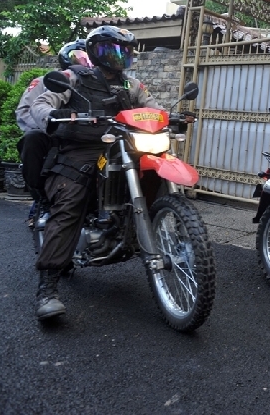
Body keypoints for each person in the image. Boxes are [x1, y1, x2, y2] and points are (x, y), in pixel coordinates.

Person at [29, 26, 162, 320]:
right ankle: (48, 288)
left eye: (123, 51)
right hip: (80, 149)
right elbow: (41, 103)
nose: (118, 57)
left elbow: (154, 109)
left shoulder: (133, 86)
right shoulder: (73, 77)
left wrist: (171, 117)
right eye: (110, 50)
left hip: (123, 147)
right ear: (94, 52)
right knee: (71, 202)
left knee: (158, 172)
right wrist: (52, 115)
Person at [17, 40, 92, 227]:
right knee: (31, 140)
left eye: (86, 56)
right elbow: (25, 111)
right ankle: (41, 201)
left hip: (85, 138)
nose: (83, 61)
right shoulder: (46, 81)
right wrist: (51, 123)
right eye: (78, 56)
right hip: (53, 136)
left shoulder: (98, 84)